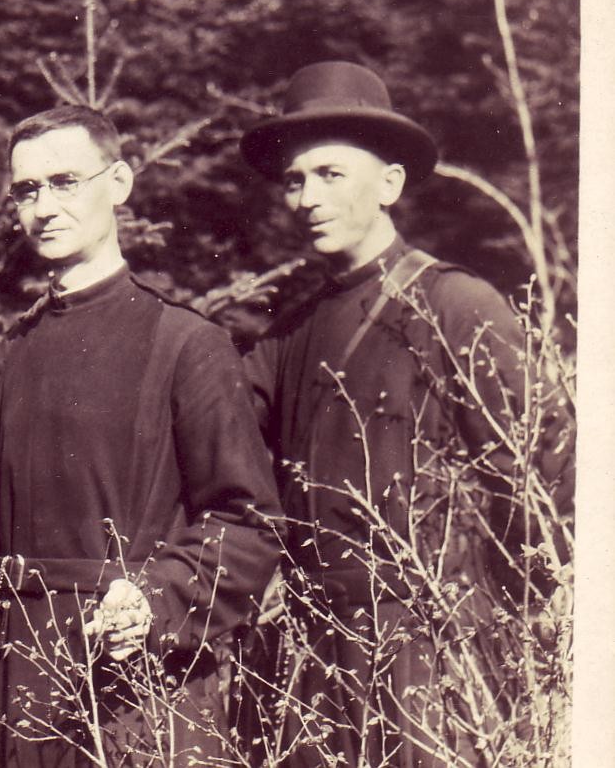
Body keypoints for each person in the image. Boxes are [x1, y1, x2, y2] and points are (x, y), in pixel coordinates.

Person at [238, 60, 573, 767]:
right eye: (295, 179)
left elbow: (544, 488)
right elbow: (222, 453)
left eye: (330, 173)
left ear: (389, 184)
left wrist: (492, 623)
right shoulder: (286, 335)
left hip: (430, 655)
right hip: (315, 662)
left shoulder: (455, 305)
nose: (306, 196)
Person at [0, 106, 282, 766]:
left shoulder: (187, 343)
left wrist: (155, 597)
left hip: (132, 684)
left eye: (65, 181)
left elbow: (248, 521)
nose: (44, 205)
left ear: (118, 182)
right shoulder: (17, 347)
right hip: (17, 682)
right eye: (27, 189)